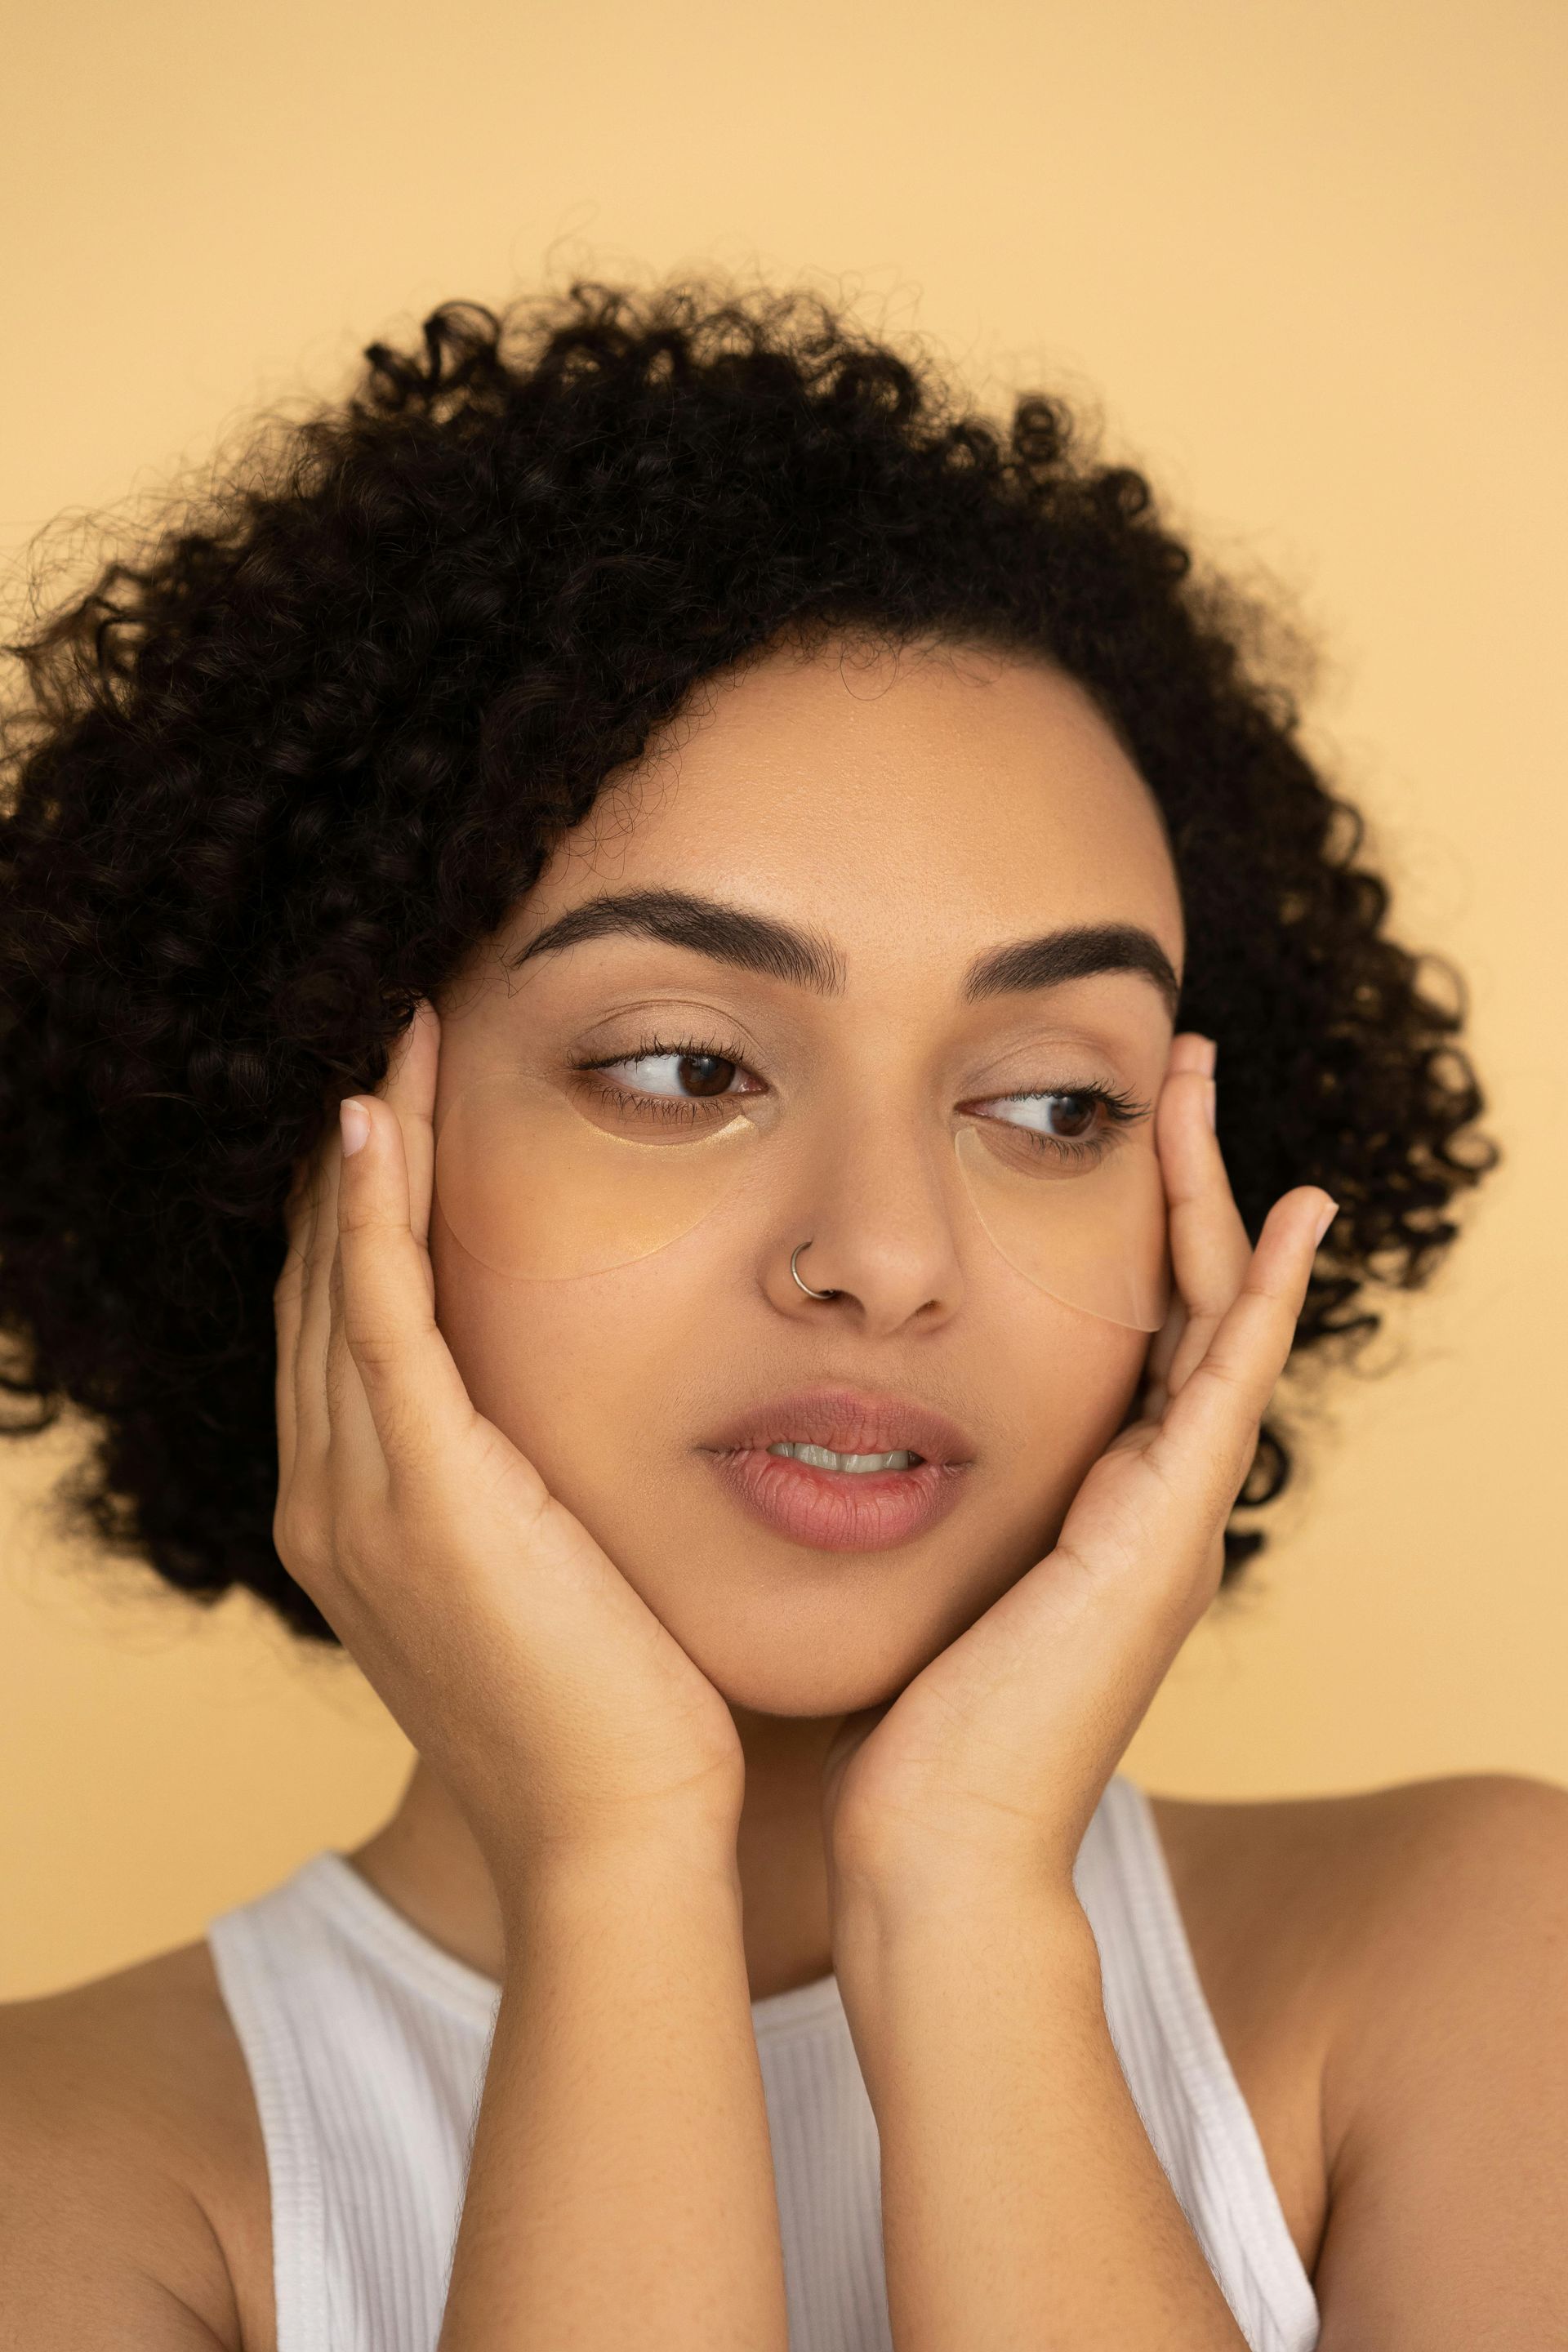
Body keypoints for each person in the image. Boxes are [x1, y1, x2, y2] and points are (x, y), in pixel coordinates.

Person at [0, 278, 1561, 2352]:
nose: (890, 1253)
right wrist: (617, 1868)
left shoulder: (1477, 1967)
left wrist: (975, 1901)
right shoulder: (69, 2177)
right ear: (325, 1143)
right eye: (684, 1067)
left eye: (1053, 1104)